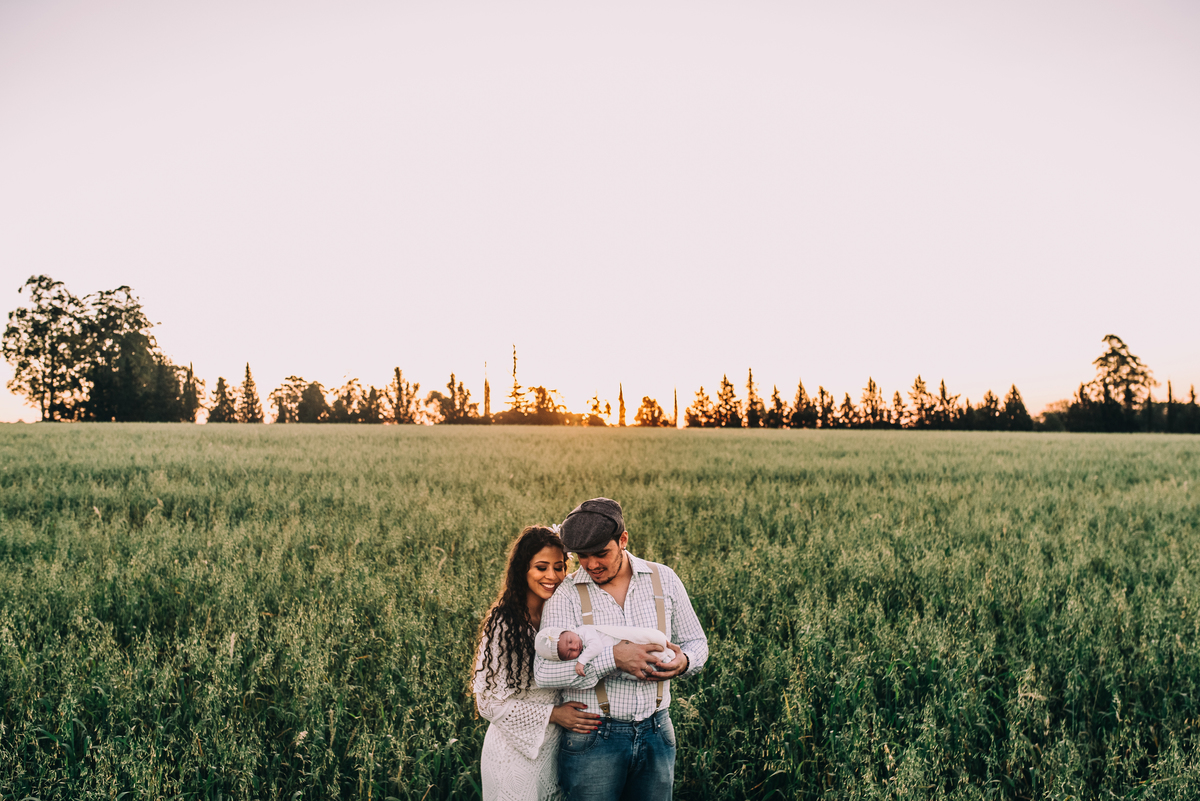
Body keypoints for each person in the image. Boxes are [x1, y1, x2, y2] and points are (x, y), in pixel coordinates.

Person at [534, 498, 709, 801]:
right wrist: (612, 658)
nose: (591, 565)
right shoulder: (566, 595)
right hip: (594, 739)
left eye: (601, 553)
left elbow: (697, 642)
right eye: (582, 556)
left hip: (658, 730)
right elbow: (544, 672)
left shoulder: (663, 578)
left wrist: (684, 662)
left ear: (623, 540)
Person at [473, 526, 603, 801]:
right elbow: (487, 703)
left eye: (559, 567)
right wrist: (554, 715)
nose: (552, 577)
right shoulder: (505, 621)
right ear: (523, 569)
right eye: (541, 567)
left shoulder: (560, 613)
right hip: (512, 750)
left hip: (554, 746)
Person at [535, 624, 676, 677]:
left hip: (629, 641)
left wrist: (581, 661)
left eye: (570, 641)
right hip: (627, 659)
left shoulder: (584, 631)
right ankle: (665, 661)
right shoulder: (579, 643)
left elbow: (596, 647)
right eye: (568, 653)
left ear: (569, 630)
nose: (574, 647)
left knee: (647, 644)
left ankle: (666, 657)